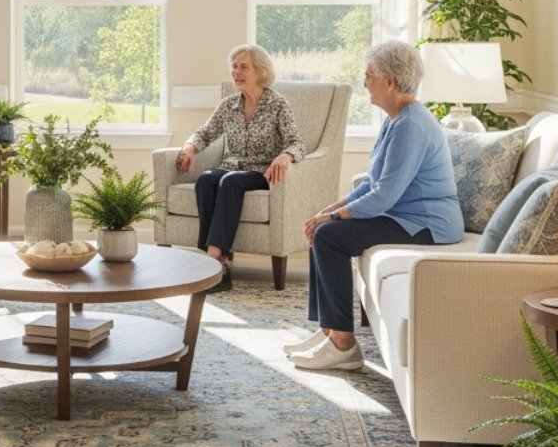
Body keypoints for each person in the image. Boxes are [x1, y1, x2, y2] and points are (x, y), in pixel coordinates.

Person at [288, 40, 463, 371]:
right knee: (324, 228)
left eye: (370, 75)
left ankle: (343, 345)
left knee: (329, 236)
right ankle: (328, 330)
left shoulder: (411, 125)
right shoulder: (396, 119)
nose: (364, 81)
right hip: (405, 216)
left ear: (391, 82)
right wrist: (329, 210)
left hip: (428, 224)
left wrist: (332, 218)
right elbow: (372, 182)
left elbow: (383, 196)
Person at [176, 44, 305, 292]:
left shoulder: (278, 104)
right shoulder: (228, 105)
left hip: (259, 172)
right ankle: (211, 259)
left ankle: (215, 259)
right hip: (230, 167)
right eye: (234, 66)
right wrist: (190, 147)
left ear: (260, 71)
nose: (236, 71)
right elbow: (204, 133)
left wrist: (285, 156)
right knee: (206, 179)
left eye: (244, 67)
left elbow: (296, 142)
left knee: (230, 181)